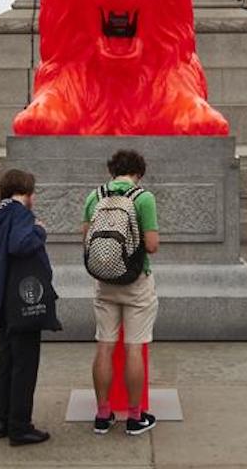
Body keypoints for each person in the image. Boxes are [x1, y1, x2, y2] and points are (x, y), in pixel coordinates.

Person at [82, 148, 159, 437]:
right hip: (136, 281)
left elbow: (87, 240)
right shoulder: (144, 198)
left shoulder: (95, 196)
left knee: (104, 345)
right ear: (138, 173)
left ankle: (103, 415)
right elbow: (151, 245)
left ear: (111, 171)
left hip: (104, 281)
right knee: (134, 347)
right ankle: (135, 417)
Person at [0, 168, 54, 447]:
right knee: (25, 364)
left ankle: (3, 419)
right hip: (22, 301)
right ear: (26, 192)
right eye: (32, 192)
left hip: (2, 298)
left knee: (7, 361)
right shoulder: (21, 214)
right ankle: (20, 426)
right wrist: (39, 230)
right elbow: (21, 244)